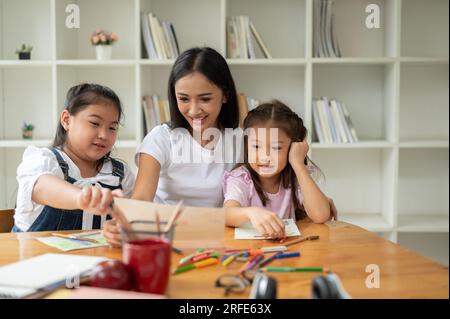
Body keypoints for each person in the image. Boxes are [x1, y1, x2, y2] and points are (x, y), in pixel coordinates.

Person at [12, 83, 135, 232]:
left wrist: (122, 233)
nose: (104, 135)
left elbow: (132, 222)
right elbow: (41, 187)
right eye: (94, 123)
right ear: (66, 120)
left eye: (112, 128)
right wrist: (82, 197)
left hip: (97, 255)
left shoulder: (121, 174)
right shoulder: (43, 160)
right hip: (35, 254)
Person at [223, 100, 331, 238]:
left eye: (276, 148)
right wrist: (251, 213)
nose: (265, 157)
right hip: (250, 250)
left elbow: (321, 215)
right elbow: (226, 214)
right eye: (256, 146)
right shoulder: (241, 178)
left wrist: (297, 163)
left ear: (292, 147)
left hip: (288, 250)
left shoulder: (296, 177)